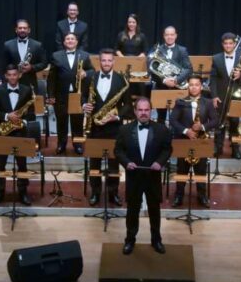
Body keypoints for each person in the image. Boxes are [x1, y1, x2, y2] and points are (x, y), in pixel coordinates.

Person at [115, 96, 173, 255]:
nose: (143, 113)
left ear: (151, 111)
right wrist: (126, 162)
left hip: (152, 176)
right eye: (140, 110)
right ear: (135, 111)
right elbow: (118, 151)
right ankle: (129, 240)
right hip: (134, 177)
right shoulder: (124, 130)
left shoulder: (161, 129)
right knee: (132, 210)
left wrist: (160, 162)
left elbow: (167, 149)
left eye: (146, 110)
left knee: (154, 210)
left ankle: (156, 240)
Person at [81, 48, 131, 207]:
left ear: (114, 61)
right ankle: (95, 192)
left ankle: (113, 193)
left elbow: (127, 105)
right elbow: (83, 96)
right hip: (94, 127)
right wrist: (84, 105)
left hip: (114, 127)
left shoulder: (122, 79)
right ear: (99, 61)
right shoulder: (91, 77)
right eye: (104, 60)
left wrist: (117, 116)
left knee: (114, 163)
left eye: (110, 60)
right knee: (94, 163)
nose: (107, 63)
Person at [0, 65, 36, 205]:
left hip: (20, 132)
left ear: (19, 75)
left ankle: (23, 192)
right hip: (3, 131)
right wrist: (7, 116)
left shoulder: (26, 90)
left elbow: (31, 113)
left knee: (22, 164)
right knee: (1, 164)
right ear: (6, 76)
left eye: (15, 74)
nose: (12, 77)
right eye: (10, 75)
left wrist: (22, 121)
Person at [169, 75, 220, 207]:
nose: (194, 87)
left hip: (201, 141)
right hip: (184, 141)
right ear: (188, 86)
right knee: (182, 169)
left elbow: (215, 120)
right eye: (191, 85)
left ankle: (202, 195)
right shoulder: (181, 102)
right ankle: (179, 195)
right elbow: (173, 120)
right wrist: (186, 131)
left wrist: (202, 126)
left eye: (197, 85)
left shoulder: (208, 102)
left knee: (201, 170)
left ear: (201, 87)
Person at [47, 32, 92, 155]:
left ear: (77, 42)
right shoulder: (56, 55)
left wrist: (86, 73)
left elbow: (92, 71)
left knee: (77, 121)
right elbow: (51, 78)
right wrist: (51, 95)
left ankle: (78, 144)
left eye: (72, 39)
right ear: (64, 42)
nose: (70, 41)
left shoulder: (85, 55)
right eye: (67, 39)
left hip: (78, 95)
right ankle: (61, 144)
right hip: (60, 95)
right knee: (61, 121)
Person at [209, 33, 241, 159]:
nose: (228, 46)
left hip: (236, 97)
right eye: (226, 44)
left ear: (235, 44)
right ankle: (218, 147)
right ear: (222, 44)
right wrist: (214, 96)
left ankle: (235, 148)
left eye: (230, 43)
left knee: (235, 123)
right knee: (219, 123)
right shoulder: (216, 58)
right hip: (220, 96)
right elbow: (213, 79)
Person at [150, 26, 191, 124]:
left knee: (179, 117)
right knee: (161, 118)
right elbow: (152, 71)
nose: (169, 37)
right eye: (167, 35)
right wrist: (164, 80)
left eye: (172, 35)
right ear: (164, 36)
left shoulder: (182, 50)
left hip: (177, 88)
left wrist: (176, 80)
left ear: (176, 36)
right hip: (161, 87)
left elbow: (188, 69)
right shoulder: (158, 50)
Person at [2, 19, 48, 93]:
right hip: (12, 83)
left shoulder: (37, 45)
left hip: (30, 82)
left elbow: (44, 63)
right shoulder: (8, 45)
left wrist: (31, 67)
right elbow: (4, 65)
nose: (22, 30)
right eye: (20, 28)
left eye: (25, 28)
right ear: (16, 30)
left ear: (29, 30)